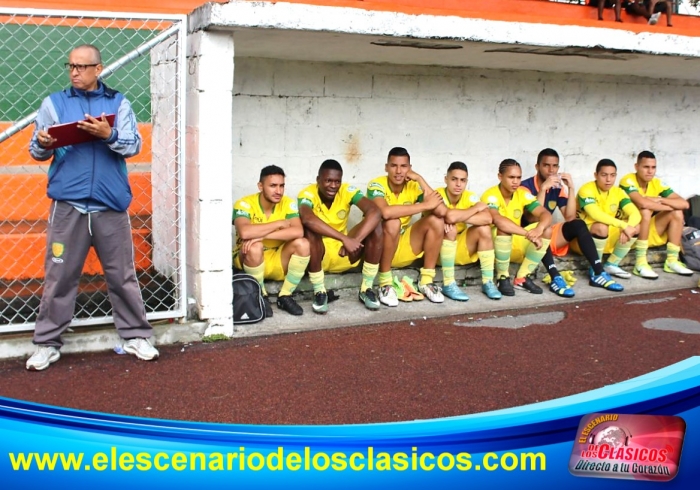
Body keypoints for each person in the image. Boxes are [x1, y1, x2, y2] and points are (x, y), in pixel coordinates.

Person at [26, 44, 158, 371]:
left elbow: (133, 145)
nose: (74, 72)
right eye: (70, 65)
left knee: (122, 274)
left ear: (98, 69)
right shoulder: (53, 103)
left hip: (110, 204)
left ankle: (135, 336)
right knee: (60, 275)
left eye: (82, 67)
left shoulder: (118, 102)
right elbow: (36, 149)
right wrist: (43, 145)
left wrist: (107, 133)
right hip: (68, 204)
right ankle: (46, 343)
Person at [521, 149, 624, 297]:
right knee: (543, 230)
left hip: (546, 233)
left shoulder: (556, 187)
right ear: (537, 167)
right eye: (546, 165)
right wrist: (543, 189)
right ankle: (555, 277)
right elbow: (533, 219)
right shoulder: (525, 186)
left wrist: (571, 188)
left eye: (555, 166)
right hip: (526, 237)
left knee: (578, 224)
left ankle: (598, 272)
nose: (551, 170)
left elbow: (569, 217)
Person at [298, 159, 383, 313]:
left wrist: (354, 241)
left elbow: (375, 211)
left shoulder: (347, 190)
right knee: (309, 229)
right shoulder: (307, 193)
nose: (333, 186)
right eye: (328, 180)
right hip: (318, 254)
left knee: (375, 224)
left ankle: (366, 288)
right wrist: (344, 238)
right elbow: (307, 218)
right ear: (318, 180)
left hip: (344, 252)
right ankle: (319, 291)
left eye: (337, 181)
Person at [367, 147, 446, 306]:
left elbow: (442, 210)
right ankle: (385, 283)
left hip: (403, 244)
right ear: (386, 167)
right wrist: (424, 206)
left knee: (437, 221)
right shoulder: (376, 184)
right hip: (380, 248)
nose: (398, 171)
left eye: (403, 166)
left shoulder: (414, 185)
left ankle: (426, 281)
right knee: (393, 222)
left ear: (409, 168)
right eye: (394, 165)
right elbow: (386, 212)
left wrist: (420, 179)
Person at [233, 165, 310, 317]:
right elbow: (245, 231)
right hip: (250, 257)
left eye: (282, 186)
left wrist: (263, 235)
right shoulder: (244, 204)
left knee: (303, 243)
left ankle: (285, 296)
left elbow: (298, 231)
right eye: (273, 186)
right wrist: (278, 224)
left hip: (278, 259)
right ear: (260, 186)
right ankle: (261, 295)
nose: (278, 191)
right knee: (255, 246)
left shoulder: (287, 203)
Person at [481, 159, 552, 296]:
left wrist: (539, 229)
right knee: (504, 228)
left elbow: (545, 214)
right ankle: (502, 277)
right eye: (511, 177)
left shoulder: (522, 194)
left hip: (515, 242)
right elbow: (499, 221)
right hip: (493, 245)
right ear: (500, 177)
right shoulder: (491, 195)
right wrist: (528, 233)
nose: (515, 181)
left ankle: (522, 277)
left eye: (518, 177)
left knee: (547, 229)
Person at [619, 151, 692, 279]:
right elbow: (642, 203)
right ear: (636, 167)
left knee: (677, 212)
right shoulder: (628, 180)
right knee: (646, 211)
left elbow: (684, 204)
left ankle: (672, 261)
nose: (650, 171)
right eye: (646, 167)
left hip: (647, 231)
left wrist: (660, 199)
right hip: (627, 233)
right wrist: (667, 205)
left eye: (653, 167)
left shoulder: (656, 183)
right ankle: (640, 262)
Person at [436, 162, 502, 300]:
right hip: (437, 251)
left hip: (459, 246)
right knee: (450, 229)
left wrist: (459, 217)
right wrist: (474, 209)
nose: (458, 184)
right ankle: (448, 283)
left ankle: (488, 282)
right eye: (454, 179)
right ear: (446, 179)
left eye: (463, 180)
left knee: (484, 229)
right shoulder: (437, 195)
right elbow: (450, 216)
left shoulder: (470, 196)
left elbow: (487, 218)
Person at [574, 159, 641, 280]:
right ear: (596, 175)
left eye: (612, 175)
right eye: (604, 175)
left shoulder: (618, 192)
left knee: (635, 226)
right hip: (583, 239)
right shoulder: (586, 189)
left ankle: (612, 264)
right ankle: (595, 267)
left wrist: (628, 227)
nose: (608, 179)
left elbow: (635, 213)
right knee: (601, 226)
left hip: (606, 237)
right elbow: (595, 214)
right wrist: (623, 225)